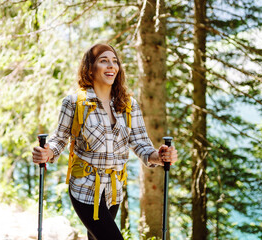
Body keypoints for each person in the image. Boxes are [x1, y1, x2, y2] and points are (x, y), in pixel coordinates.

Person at [32, 43, 178, 240]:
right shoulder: (74, 103)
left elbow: (141, 144)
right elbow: (60, 139)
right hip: (85, 187)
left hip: (114, 190)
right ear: (90, 68)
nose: (111, 66)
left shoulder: (128, 105)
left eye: (114, 61)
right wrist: (47, 152)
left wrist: (160, 156)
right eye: (104, 61)